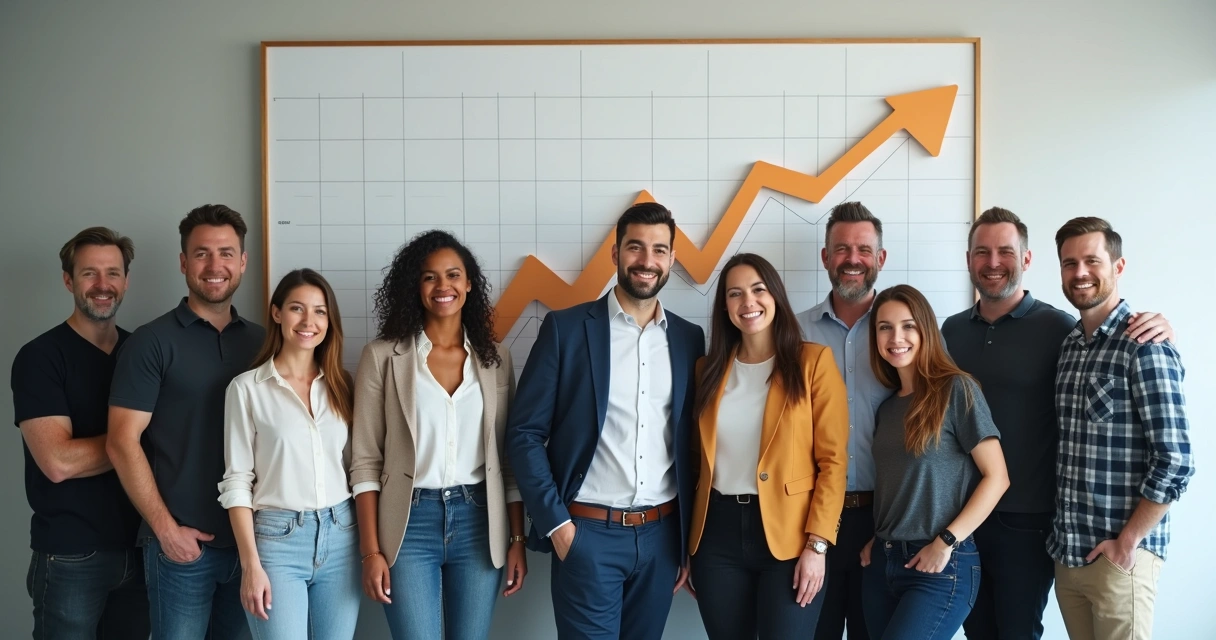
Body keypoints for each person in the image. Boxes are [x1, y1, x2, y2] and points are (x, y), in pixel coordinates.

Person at [943, 207, 1176, 640]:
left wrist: (1161, 327)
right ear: (969, 258)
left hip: (1031, 523)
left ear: (1026, 260)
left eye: (1005, 252)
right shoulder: (950, 332)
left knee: (1018, 631)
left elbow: (1172, 453)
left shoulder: (1059, 329)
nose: (993, 262)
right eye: (982, 252)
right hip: (964, 519)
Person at [507, 201, 705, 639]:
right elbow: (524, 434)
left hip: (662, 538)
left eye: (659, 250)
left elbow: (693, 442)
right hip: (587, 534)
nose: (647, 261)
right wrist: (560, 529)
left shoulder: (690, 339)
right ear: (615, 254)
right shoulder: (566, 330)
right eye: (635, 247)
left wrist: (685, 543)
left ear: (672, 259)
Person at [350, 230, 527, 639]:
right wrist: (371, 550)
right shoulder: (382, 358)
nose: (442, 286)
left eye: (453, 275)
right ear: (415, 286)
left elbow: (508, 461)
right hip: (408, 522)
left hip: (480, 520)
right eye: (429, 277)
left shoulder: (497, 360)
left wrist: (517, 537)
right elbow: (364, 463)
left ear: (468, 284)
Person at [107, 204, 264, 639]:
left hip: (255, 548)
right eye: (201, 254)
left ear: (243, 262)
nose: (215, 266)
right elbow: (122, 442)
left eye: (227, 253)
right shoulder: (150, 342)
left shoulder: (265, 342)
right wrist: (165, 531)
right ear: (183, 262)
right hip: (181, 551)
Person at [687, 253, 849, 639]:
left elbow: (834, 462)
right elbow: (694, 461)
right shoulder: (705, 370)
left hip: (791, 536)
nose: (748, 302)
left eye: (758, 289)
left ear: (775, 295)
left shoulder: (813, 362)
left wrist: (818, 546)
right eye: (735, 294)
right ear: (724, 307)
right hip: (717, 537)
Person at [1049, 217, 1193, 640]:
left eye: (1092, 260)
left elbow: (1176, 460)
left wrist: (1127, 543)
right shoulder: (1070, 347)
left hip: (1119, 559)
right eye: (1069, 262)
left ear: (1118, 266)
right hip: (1070, 554)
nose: (1080, 273)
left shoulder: (1146, 345)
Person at [11, 227, 147, 639]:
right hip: (71, 555)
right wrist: (132, 440)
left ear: (125, 280)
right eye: (89, 273)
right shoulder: (40, 357)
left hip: (142, 549)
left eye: (113, 273)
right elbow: (56, 462)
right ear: (69, 280)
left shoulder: (142, 351)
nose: (102, 285)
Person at [861, 284, 1009, 640]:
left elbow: (997, 477)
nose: (896, 337)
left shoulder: (956, 390)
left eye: (908, 325)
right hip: (883, 561)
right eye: (885, 327)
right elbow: (898, 483)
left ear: (925, 330)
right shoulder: (887, 407)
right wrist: (878, 537)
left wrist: (945, 541)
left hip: (942, 564)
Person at [219, 268, 360, 639]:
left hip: (343, 534)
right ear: (277, 313)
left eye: (320, 311)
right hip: (278, 541)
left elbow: (357, 469)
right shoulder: (247, 389)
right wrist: (251, 565)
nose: (309, 321)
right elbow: (236, 481)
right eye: (297, 308)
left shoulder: (343, 385)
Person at [799, 201, 893, 640]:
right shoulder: (792, 334)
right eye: (841, 249)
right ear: (825, 257)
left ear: (880, 258)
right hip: (810, 517)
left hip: (885, 519)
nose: (852, 259)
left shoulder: (906, 333)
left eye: (863, 249)